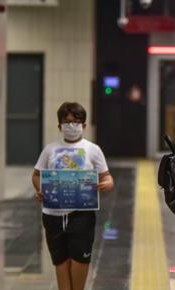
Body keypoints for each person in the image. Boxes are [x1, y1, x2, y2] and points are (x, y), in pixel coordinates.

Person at [32, 102, 114, 290]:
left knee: (80, 260)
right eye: (66, 122)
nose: (71, 125)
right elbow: (37, 175)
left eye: (76, 121)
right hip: (52, 215)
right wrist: (40, 190)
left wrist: (106, 184)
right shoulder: (50, 149)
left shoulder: (93, 149)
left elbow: (107, 177)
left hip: (81, 215)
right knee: (60, 261)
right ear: (59, 126)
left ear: (84, 125)